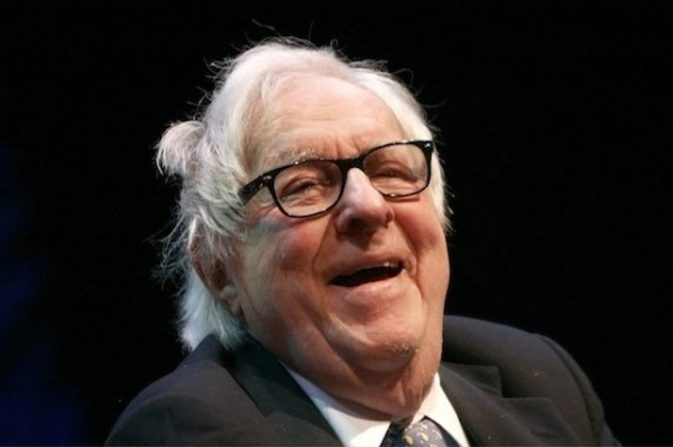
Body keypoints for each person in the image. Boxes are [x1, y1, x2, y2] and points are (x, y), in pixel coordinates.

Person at [105, 37, 618, 446]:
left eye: (391, 170)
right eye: (304, 185)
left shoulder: (537, 376)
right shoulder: (186, 431)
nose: (368, 207)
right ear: (220, 270)